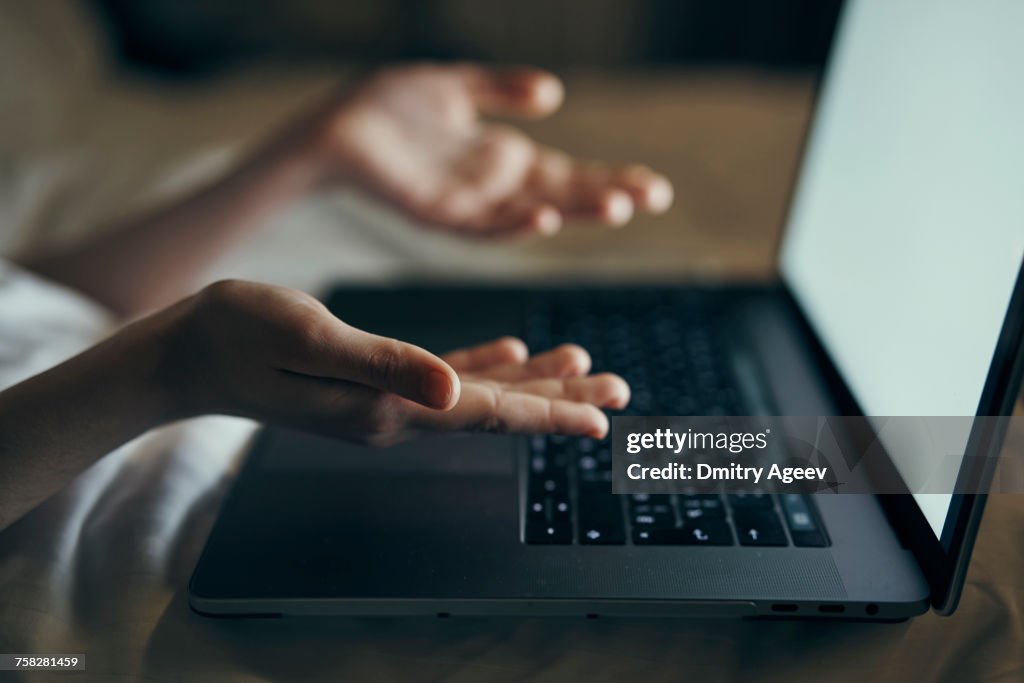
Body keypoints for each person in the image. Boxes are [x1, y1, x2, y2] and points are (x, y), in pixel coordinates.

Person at [0, 64, 673, 530]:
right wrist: (164, 369)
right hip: (142, 547)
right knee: (758, 470)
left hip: (212, 454)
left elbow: (29, 302)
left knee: (766, 467)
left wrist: (311, 152)